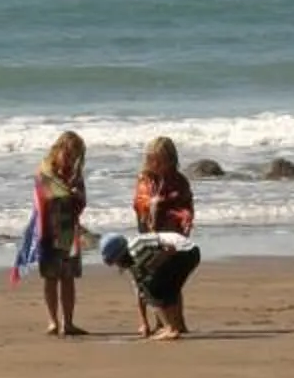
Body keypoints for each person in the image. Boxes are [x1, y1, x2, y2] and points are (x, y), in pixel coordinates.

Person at [30, 130, 87, 338]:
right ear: (59, 149)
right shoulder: (45, 171)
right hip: (48, 228)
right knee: (50, 277)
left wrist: (75, 194)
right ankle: (53, 321)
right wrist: (64, 193)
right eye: (69, 154)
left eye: (75, 156)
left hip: (68, 229)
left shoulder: (75, 175)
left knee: (68, 277)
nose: (71, 160)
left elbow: (82, 202)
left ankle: (68, 322)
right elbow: (40, 199)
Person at [99, 226, 199, 342]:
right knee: (167, 289)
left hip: (186, 251)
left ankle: (170, 328)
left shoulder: (137, 245)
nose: (117, 266)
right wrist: (144, 323)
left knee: (154, 287)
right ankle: (178, 325)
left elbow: (170, 249)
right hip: (180, 255)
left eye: (116, 261)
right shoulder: (133, 264)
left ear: (121, 255)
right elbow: (140, 291)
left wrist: (156, 264)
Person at [133, 134, 194, 241]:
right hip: (149, 228)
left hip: (174, 231)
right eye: (152, 160)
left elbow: (186, 204)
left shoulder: (180, 181)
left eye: (161, 161)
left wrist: (185, 216)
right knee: (154, 205)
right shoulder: (145, 178)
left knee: (193, 253)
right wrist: (155, 202)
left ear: (171, 160)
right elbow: (140, 201)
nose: (156, 165)